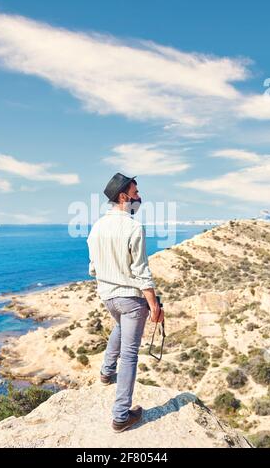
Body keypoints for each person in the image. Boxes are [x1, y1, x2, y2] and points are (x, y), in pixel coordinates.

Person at [87, 173, 164, 433]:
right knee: (130, 355)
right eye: (136, 193)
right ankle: (121, 416)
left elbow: (93, 268)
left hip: (108, 297)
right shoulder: (133, 227)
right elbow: (142, 272)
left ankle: (106, 373)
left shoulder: (96, 227)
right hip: (131, 299)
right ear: (124, 197)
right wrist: (154, 306)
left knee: (120, 328)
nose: (139, 197)